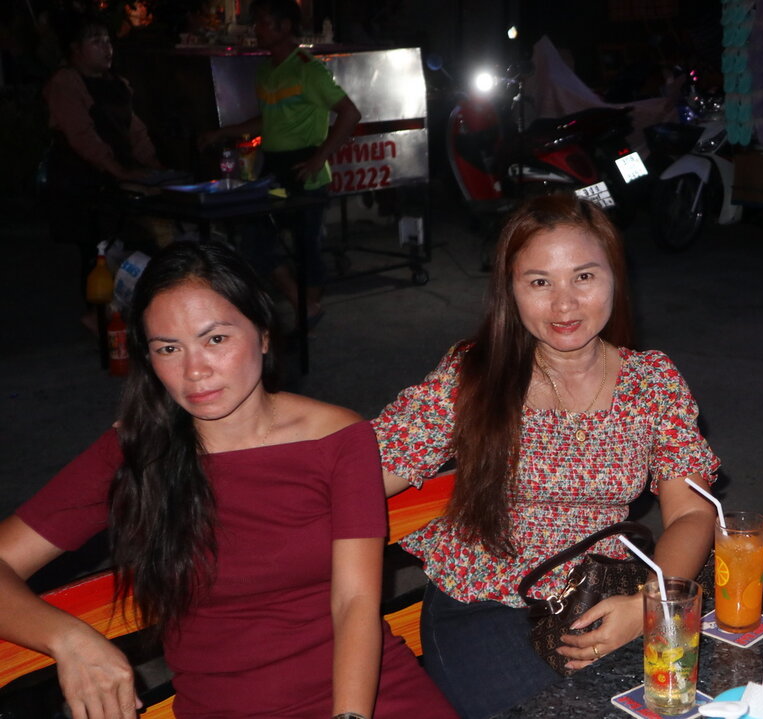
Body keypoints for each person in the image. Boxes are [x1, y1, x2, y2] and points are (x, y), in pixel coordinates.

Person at [0, 242, 456, 719]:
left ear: (263, 334)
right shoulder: (136, 451)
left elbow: (354, 601)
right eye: (168, 349)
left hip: (366, 699)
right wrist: (69, 638)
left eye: (215, 339)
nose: (195, 371)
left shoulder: (338, 437)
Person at [374, 194, 719, 718]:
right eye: (540, 282)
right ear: (510, 290)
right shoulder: (475, 375)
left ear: (615, 277)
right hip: (483, 603)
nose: (564, 305)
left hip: (603, 593)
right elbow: (365, 471)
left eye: (584, 277)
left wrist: (650, 605)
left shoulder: (652, 381)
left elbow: (692, 511)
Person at [200, 0, 362, 327]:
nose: (256, 29)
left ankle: (306, 315)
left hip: (304, 170)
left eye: (263, 22)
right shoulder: (266, 70)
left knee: (306, 246)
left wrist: (318, 159)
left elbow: (350, 113)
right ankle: (306, 309)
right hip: (274, 169)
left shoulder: (307, 69)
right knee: (256, 239)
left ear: (285, 26)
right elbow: (269, 120)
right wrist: (223, 132)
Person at [43, 12, 166, 320]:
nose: (106, 47)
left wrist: (155, 169)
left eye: (107, 40)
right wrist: (119, 171)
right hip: (81, 180)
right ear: (75, 49)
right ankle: (97, 318)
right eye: (95, 41)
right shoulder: (65, 83)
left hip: (116, 178)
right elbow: (82, 136)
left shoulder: (118, 84)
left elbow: (135, 131)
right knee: (96, 251)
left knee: (134, 244)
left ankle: (122, 314)